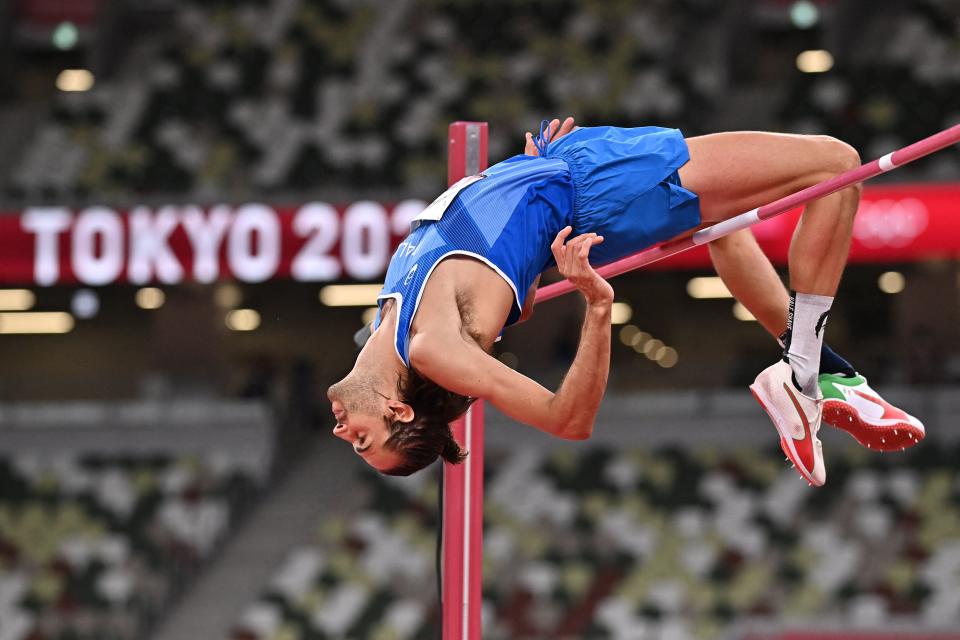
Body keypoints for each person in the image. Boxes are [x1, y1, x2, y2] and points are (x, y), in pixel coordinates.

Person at [329, 118, 925, 483]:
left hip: (568, 168)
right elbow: (568, 420)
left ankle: (827, 375)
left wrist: (527, 178)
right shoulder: (433, 348)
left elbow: (511, 289)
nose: (341, 433)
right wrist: (595, 305)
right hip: (599, 189)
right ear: (398, 410)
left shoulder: (387, 320)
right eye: (362, 439)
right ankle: (803, 372)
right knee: (836, 165)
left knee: (724, 224)